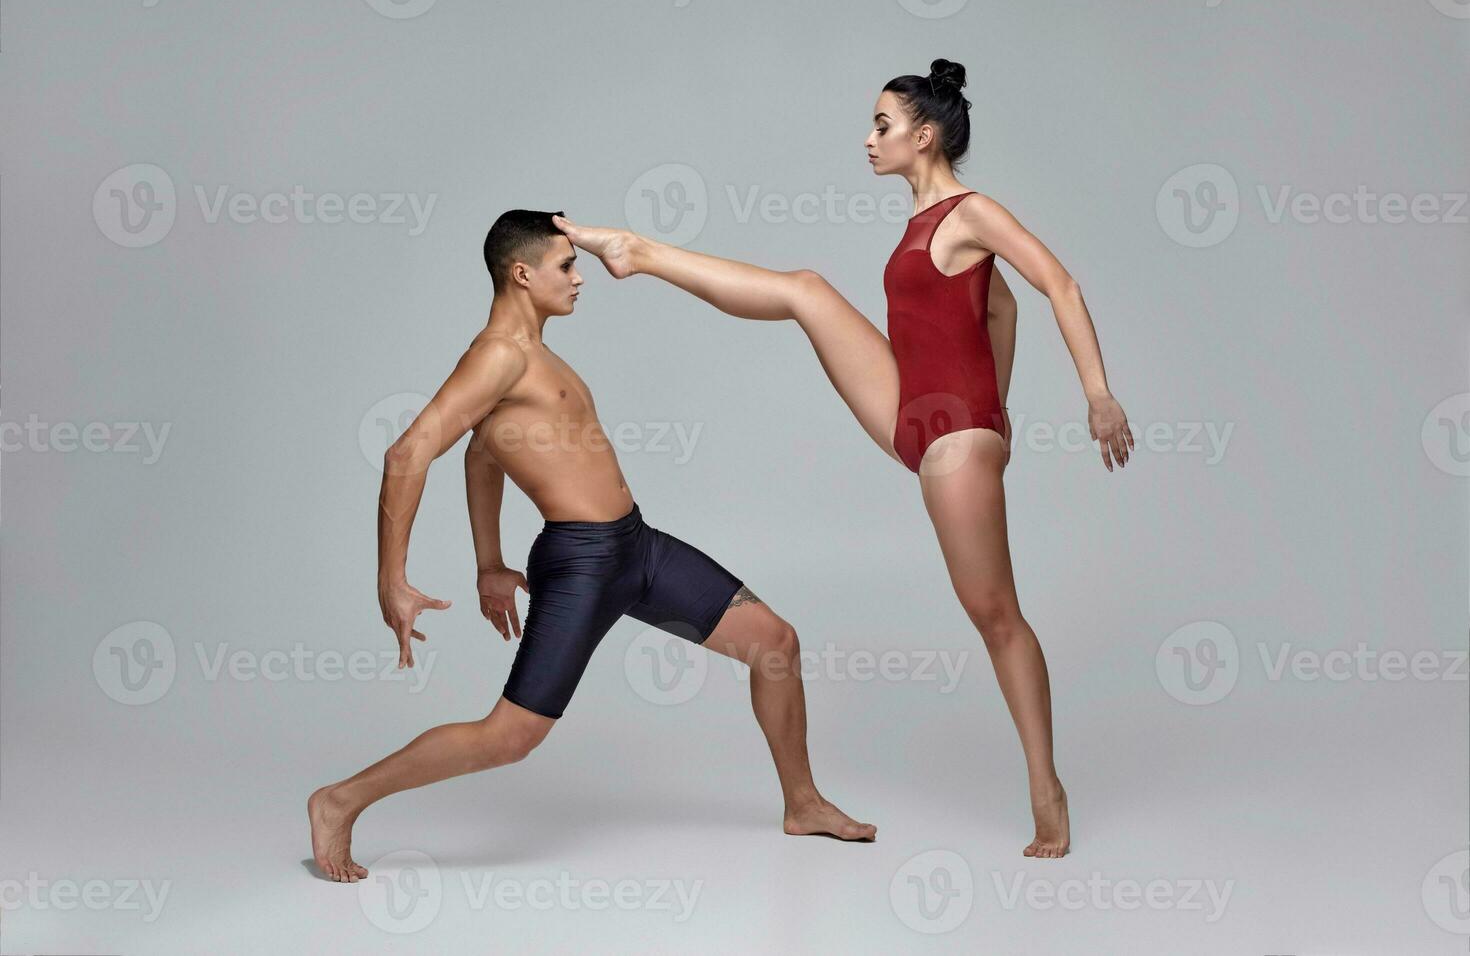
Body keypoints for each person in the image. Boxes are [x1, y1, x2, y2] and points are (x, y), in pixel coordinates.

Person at [553, 58, 1135, 859]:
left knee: (995, 616)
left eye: (883, 126)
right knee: (807, 289)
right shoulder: (919, 227)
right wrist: (994, 402)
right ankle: (638, 251)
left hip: (956, 433)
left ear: (924, 136)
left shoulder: (972, 212)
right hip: (918, 414)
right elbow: (996, 306)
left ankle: (1047, 788)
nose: (868, 140)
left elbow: (1056, 285)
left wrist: (1080, 399)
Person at [308, 210, 876, 883]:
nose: (581, 279)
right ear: (522, 273)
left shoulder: (537, 353)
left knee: (775, 644)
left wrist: (489, 563)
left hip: (636, 548)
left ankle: (803, 803)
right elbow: (408, 454)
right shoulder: (497, 355)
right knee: (509, 738)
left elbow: (484, 456)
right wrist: (391, 579)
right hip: (581, 563)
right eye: (566, 266)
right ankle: (340, 801)